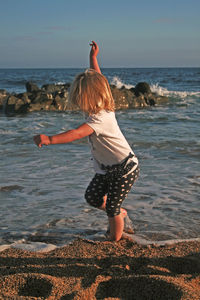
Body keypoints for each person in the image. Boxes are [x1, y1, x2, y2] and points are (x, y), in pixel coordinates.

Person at [33, 41, 139, 241]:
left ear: (90, 98)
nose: (79, 103)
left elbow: (75, 133)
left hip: (125, 169)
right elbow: (98, 79)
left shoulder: (100, 118)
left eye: (81, 99)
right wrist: (93, 58)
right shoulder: (102, 105)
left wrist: (49, 139)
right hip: (107, 169)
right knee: (92, 197)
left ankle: (114, 240)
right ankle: (120, 214)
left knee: (112, 208)